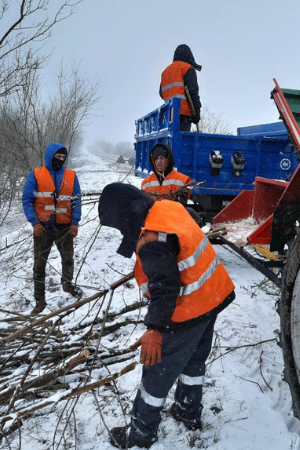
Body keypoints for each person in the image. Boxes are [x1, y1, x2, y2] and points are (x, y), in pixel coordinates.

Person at [99, 183, 234, 448]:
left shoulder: (153, 240)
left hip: (188, 307)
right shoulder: (168, 207)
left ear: (126, 214)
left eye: (118, 224)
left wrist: (154, 330)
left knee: (157, 371)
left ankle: (140, 434)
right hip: (214, 295)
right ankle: (188, 410)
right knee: (194, 361)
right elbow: (190, 229)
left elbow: (165, 289)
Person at [21, 142, 83, 314]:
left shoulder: (71, 175)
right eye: (58, 157)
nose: (60, 160)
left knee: (68, 259)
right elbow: (27, 200)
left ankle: (67, 284)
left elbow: (76, 200)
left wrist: (75, 222)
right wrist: (35, 223)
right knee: (39, 265)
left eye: (63, 157)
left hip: (65, 227)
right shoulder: (36, 175)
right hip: (43, 227)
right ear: (50, 157)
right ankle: (40, 299)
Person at [160, 44, 203, 132]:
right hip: (183, 116)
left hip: (168, 116)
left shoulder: (165, 72)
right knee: (181, 143)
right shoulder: (187, 69)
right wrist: (196, 113)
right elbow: (193, 93)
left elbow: (161, 93)